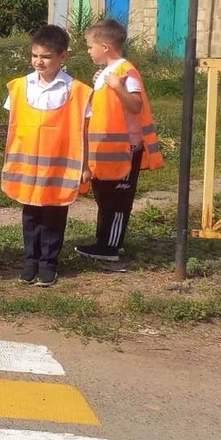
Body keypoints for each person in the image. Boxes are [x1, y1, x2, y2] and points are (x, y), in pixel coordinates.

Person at [1, 25, 91, 288]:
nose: (39, 61)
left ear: (63, 56)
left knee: (53, 214)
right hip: (28, 167)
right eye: (35, 55)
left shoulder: (76, 90)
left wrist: (85, 165)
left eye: (46, 57)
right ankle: (30, 260)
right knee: (30, 213)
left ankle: (48, 262)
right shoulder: (20, 86)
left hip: (59, 167)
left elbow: (82, 131)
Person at [76, 19, 163, 263]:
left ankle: (110, 247)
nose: (88, 50)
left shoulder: (126, 72)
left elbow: (136, 105)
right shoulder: (109, 72)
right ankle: (104, 242)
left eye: (90, 46)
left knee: (117, 201)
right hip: (107, 152)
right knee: (105, 198)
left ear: (105, 46)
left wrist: (116, 87)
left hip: (125, 152)